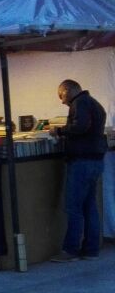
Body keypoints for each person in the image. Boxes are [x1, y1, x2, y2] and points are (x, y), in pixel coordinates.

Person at [50, 79, 107, 262]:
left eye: (61, 95)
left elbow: (80, 126)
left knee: (73, 207)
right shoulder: (94, 103)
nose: (62, 101)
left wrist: (59, 131)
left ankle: (70, 250)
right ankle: (91, 250)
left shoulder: (80, 103)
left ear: (68, 90)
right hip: (95, 161)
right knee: (89, 206)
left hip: (81, 162)